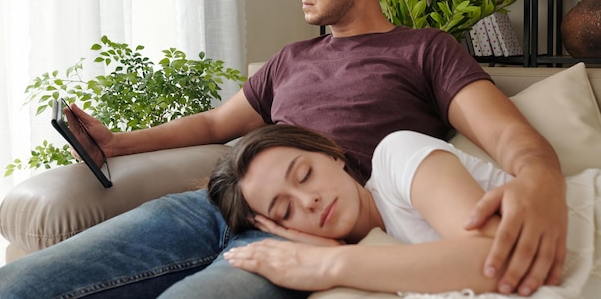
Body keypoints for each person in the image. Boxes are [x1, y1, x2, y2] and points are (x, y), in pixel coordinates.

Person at [0, 0, 566, 299]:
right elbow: (215, 123)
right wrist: (116, 143)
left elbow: (509, 137)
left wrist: (541, 181)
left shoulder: (424, 50)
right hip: (206, 205)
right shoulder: (291, 58)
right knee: (6, 288)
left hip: (298, 228)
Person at [207, 124, 514, 294]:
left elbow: (498, 260)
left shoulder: (397, 154)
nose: (308, 201)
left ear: (331, 154)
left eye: (305, 175)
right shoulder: (370, 247)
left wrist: (328, 262)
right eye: (286, 212)